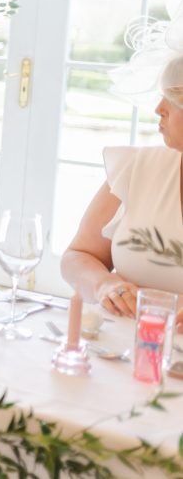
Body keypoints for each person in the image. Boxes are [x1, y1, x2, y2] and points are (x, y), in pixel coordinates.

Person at [62, 51, 183, 319]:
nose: (159, 108)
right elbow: (77, 256)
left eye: (174, 99)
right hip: (118, 350)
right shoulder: (138, 167)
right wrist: (104, 284)